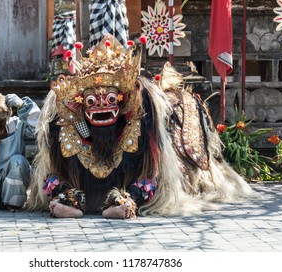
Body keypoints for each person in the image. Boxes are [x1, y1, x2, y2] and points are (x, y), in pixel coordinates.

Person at [25, 34, 256, 219]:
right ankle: (66, 200)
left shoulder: (141, 119)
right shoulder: (68, 123)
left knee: (149, 176)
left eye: (111, 100)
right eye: (92, 102)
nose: (101, 107)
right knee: (56, 178)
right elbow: (56, 168)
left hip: (131, 165)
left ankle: (127, 200)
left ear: (124, 101)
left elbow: (150, 170)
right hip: (84, 147)